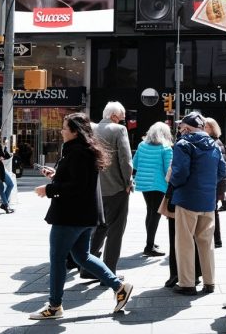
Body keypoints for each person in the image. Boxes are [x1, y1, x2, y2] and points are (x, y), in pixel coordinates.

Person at [31, 113, 133, 319]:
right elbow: (78, 180)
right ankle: (119, 286)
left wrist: (49, 189)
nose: (61, 131)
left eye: (64, 128)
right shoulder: (84, 151)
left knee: (58, 258)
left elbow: (77, 186)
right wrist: (56, 175)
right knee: (82, 256)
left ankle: (54, 306)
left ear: (75, 131)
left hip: (71, 215)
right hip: (84, 215)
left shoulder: (77, 152)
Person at [171, 112, 226, 295]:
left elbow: (179, 174)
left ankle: (187, 284)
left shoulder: (183, 144)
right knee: (206, 242)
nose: (179, 129)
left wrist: (175, 184)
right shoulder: (214, 144)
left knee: (185, 243)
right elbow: (222, 171)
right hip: (207, 200)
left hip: (187, 198)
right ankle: (209, 282)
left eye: (181, 127)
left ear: (186, 128)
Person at [87, 101, 134, 278]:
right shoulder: (119, 130)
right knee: (115, 231)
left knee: (98, 227)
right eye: (121, 118)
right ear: (114, 116)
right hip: (116, 187)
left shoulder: (91, 129)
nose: (122, 121)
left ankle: (88, 267)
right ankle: (108, 271)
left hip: (95, 187)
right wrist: (128, 182)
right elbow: (125, 160)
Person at [132, 122, 172, 257]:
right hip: (159, 185)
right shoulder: (166, 148)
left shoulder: (141, 145)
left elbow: (135, 163)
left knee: (150, 212)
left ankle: (150, 242)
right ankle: (149, 246)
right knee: (155, 214)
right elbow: (168, 170)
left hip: (144, 184)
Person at [204, 117, 226, 248]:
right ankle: (216, 240)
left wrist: (213, 183)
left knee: (213, 211)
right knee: (213, 211)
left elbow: (221, 169)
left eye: (206, 127)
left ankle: (217, 240)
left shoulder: (215, 143)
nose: (203, 129)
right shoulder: (211, 141)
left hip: (215, 184)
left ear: (212, 129)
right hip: (214, 184)